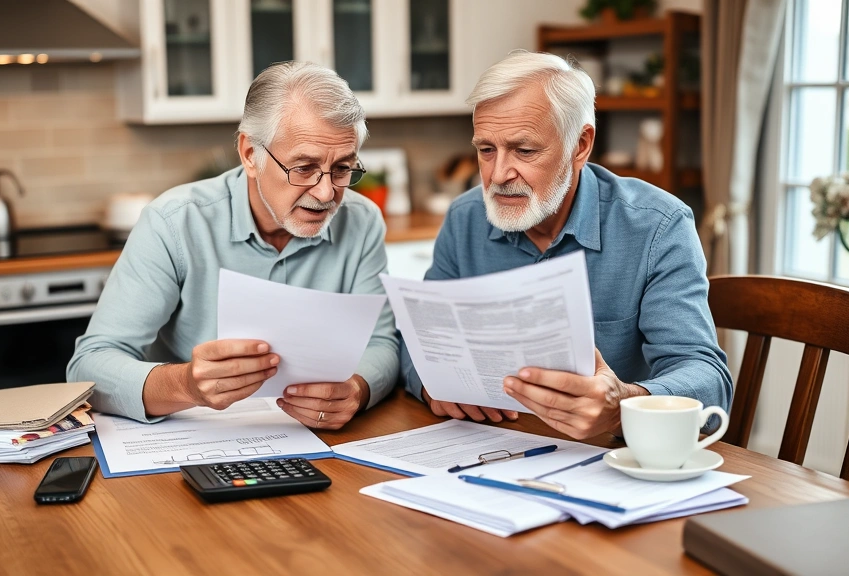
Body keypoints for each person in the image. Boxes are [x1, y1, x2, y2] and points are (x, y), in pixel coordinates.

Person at [400, 51, 732, 439]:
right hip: (488, 447)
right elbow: (418, 340)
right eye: (486, 149)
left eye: (524, 150)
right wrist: (428, 384)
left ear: (580, 146)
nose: (498, 174)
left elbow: (708, 378)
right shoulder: (465, 218)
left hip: (609, 457)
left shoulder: (658, 226)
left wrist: (625, 402)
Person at [69, 62, 398, 429]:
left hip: (321, 440)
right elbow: (89, 366)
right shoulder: (174, 222)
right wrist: (187, 384)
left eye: (342, 169)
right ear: (249, 154)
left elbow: (382, 343)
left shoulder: (363, 220)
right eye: (303, 168)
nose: (326, 193)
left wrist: (357, 389)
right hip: (195, 440)